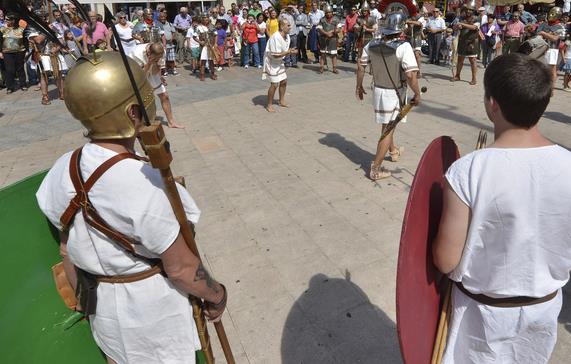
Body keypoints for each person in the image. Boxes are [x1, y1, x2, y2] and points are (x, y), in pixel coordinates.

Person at [36, 51, 225, 364]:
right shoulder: (147, 183)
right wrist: (217, 295)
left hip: (105, 314)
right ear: (134, 111)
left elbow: (67, 251)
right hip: (153, 318)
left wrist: (84, 306)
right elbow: (180, 269)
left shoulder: (62, 167)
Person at [433, 53, 571, 364]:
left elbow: (445, 260)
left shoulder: (468, 170)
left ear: (492, 103)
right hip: (543, 310)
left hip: (480, 318)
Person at [355, 11, 421, 180]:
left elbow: (361, 65)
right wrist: (418, 94)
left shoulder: (372, 44)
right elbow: (411, 75)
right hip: (394, 93)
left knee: (388, 125)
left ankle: (393, 150)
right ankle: (375, 169)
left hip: (378, 91)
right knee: (388, 129)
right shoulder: (404, 46)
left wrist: (359, 86)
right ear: (401, 29)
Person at [130, 42, 184, 129]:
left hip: (152, 73)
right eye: (157, 57)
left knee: (164, 96)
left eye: (159, 57)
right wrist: (149, 63)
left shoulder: (162, 52)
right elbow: (140, 75)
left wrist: (159, 74)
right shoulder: (135, 53)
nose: (159, 58)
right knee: (142, 101)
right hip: (139, 75)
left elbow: (156, 70)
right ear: (149, 53)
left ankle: (171, 122)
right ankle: (139, 124)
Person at [263, 19, 296, 113]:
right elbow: (274, 55)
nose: (290, 27)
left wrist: (290, 51)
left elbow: (284, 50)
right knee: (274, 84)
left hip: (279, 61)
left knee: (284, 81)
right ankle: (269, 105)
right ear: (282, 27)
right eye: (288, 25)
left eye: (290, 25)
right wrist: (288, 52)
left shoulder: (287, 36)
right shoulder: (275, 37)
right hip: (271, 62)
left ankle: (281, 101)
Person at [451, 7, 480, 85]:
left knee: (472, 60)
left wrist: (462, 24)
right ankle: (457, 75)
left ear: (473, 11)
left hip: (472, 42)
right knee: (460, 59)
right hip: (462, 41)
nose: (468, 11)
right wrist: (457, 26)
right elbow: (454, 28)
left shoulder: (476, 18)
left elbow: (474, 27)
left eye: (470, 9)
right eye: (467, 9)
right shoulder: (461, 18)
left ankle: (474, 78)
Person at [0, 13, 27, 94]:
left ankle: (23, 84)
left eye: (8, 19)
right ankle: (10, 87)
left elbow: (25, 41)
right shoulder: (2, 29)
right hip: (7, 52)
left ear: (14, 20)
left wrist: (26, 50)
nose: (7, 21)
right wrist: (0, 52)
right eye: (6, 19)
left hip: (20, 51)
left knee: (20, 68)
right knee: (9, 70)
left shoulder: (21, 29)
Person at [538, 7, 566, 86]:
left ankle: (551, 88)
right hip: (541, 48)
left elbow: (555, 38)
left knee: (552, 70)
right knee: (539, 68)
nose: (551, 15)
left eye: (553, 13)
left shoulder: (561, 27)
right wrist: (550, 34)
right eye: (550, 12)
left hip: (552, 49)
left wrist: (544, 34)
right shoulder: (544, 24)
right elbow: (537, 34)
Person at [195, 14, 219, 81]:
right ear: (202, 19)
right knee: (203, 61)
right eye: (204, 18)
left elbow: (216, 35)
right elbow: (194, 36)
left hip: (211, 45)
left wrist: (216, 43)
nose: (206, 19)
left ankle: (212, 74)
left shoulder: (212, 26)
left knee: (211, 61)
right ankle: (202, 75)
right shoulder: (199, 27)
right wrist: (200, 42)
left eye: (207, 18)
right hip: (204, 46)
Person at [317, 4, 340, 74]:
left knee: (334, 54)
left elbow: (339, 28)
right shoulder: (322, 19)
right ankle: (321, 67)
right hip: (324, 38)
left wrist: (334, 31)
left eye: (330, 12)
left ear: (332, 12)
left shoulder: (336, 19)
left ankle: (334, 68)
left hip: (333, 39)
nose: (328, 13)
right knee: (322, 54)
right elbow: (319, 28)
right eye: (327, 12)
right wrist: (326, 33)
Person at [156, 11, 179, 76]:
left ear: (166, 17)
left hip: (170, 44)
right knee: (164, 59)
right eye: (161, 17)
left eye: (164, 17)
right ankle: (165, 71)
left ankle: (173, 70)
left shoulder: (170, 24)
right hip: (162, 45)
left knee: (172, 58)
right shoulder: (157, 25)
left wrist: (172, 38)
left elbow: (173, 32)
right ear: (159, 18)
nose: (163, 18)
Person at [405, 5, 425, 74]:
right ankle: (411, 69)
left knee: (417, 55)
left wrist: (409, 22)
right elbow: (406, 26)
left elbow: (419, 23)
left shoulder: (420, 16)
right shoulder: (408, 17)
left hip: (417, 37)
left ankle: (419, 71)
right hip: (409, 37)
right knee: (410, 55)